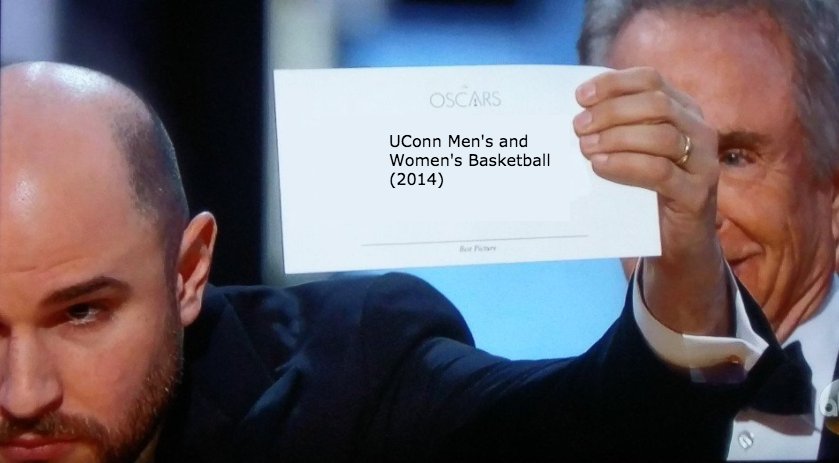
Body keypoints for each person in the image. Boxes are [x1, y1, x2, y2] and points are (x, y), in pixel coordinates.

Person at [0, 61, 787, 462]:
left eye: (82, 313)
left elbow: (596, 433)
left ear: (188, 272)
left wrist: (685, 261)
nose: (25, 393)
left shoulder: (342, 383)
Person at [577, 0, 839, 459]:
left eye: (734, 158)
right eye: (655, 158)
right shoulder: (564, 426)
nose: (692, 205)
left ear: (833, 195)